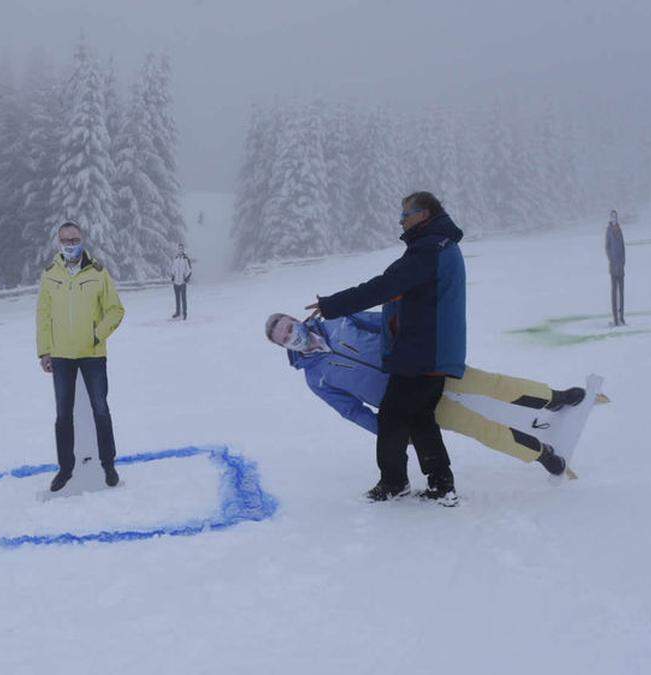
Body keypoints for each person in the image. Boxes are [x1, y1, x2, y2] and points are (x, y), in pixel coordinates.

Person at [265, 312, 585, 478]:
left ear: (296, 320)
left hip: (424, 367)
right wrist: (387, 432)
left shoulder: (338, 320)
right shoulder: (315, 378)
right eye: (284, 338)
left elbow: (386, 323)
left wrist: (420, 335)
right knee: (478, 428)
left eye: (289, 327)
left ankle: (552, 397)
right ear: (283, 347)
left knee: (491, 383)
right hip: (409, 403)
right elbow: (351, 410)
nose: (291, 335)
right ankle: (540, 454)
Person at [306, 192, 466, 505]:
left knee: (392, 417)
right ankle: (441, 485)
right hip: (427, 349)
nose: (401, 220)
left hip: (423, 350)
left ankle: (394, 483)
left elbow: (384, 286)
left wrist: (333, 305)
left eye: (406, 214)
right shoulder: (436, 245)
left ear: (425, 213)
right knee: (420, 417)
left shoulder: (430, 249)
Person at [36, 222, 126, 492]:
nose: (70, 244)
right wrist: (44, 351)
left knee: (101, 410)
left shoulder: (98, 272)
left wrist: (97, 334)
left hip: (92, 354)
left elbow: (115, 310)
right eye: (65, 240)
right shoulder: (50, 274)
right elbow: (43, 315)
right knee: (63, 415)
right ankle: (65, 468)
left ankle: (108, 464)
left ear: (82, 239)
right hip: (61, 356)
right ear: (58, 242)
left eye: (74, 239)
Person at [606, 210, 626, 327]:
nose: (614, 219)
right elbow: (607, 247)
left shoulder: (620, 230)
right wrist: (611, 258)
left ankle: (621, 317)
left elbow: (623, 247)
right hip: (613, 266)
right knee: (614, 292)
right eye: (612, 217)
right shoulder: (609, 231)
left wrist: (623, 261)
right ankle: (615, 318)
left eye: (615, 217)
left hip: (621, 267)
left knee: (621, 293)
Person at [169, 243, 192, 320]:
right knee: (177, 298)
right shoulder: (175, 259)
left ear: (183, 250)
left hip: (182, 282)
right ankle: (178, 312)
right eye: (179, 249)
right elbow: (173, 269)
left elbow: (189, 270)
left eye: (181, 249)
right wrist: (172, 276)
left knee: (183, 298)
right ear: (177, 250)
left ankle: (184, 313)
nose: (180, 250)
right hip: (176, 282)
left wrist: (186, 278)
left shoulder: (186, 259)